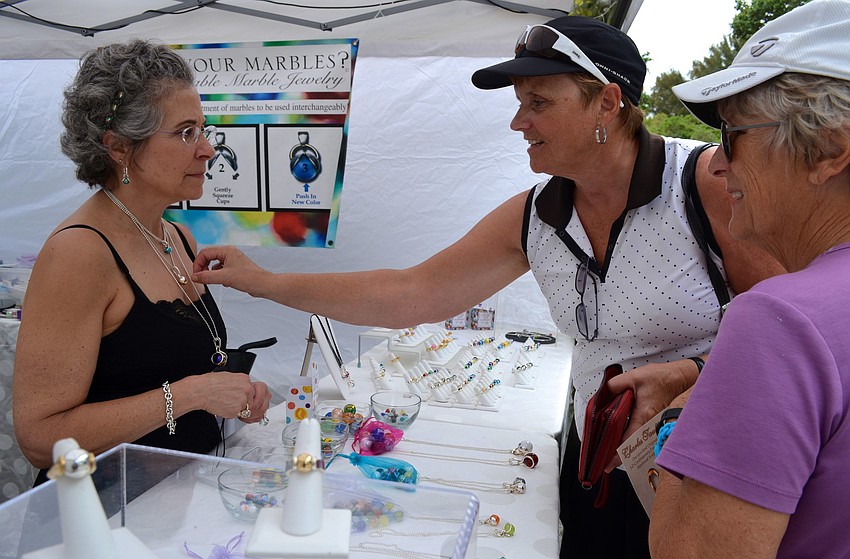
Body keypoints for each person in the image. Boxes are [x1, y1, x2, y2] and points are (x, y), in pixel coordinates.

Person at [192, 16, 782, 557]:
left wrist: (689, 373)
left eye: (538, 103)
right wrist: (266, 282)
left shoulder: (703, 185)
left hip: (702, 462)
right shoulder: (535, 217)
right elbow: (413, 292)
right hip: (596, 459)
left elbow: (788, 329)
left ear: (607, 102)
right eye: (520, 103)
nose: (517, 121)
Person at [12, 39, 271, 485]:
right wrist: (190, 395)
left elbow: (168, 366)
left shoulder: (177, 236)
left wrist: (229, 391)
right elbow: (39, 438)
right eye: (186, 132)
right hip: (106, 516)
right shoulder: (79, 254)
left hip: (178, 499)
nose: (207, 149)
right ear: (118, 147)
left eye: (203, 130)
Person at [649, 1, 850, 557]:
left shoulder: (781, 319)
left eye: (732, 135)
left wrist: (679, 415)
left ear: (829, 149)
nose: (716, 164)